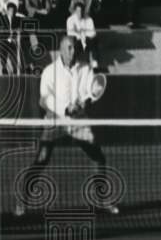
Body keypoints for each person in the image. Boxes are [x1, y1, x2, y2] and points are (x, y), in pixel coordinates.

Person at [15, 35, 118, 217]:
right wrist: (65, 108)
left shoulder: (85, 68)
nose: (72, 51)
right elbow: (44, 99)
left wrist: (86, 102)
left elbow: (89, 91)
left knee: (98, 157)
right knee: (42, 159)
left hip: (78, 121)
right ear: (61, 50)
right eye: (69, 48)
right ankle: (22, 201)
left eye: (74, 48)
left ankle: (102, 200)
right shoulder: (49, 71)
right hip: (55, 120)